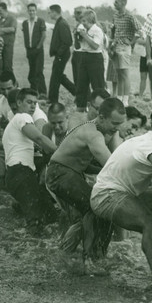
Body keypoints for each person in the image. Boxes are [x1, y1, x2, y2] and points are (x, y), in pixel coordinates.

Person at [90, 106, 152, 285]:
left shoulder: (146, 140)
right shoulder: (151, 146)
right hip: (106, 196)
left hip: (118, 192)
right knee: (151, 221)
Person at [46, 98, 126, 265]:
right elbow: (112, 166)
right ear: (102, 117)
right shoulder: (92, 134)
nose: (117, 128)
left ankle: (66, 252)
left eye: (120, 124)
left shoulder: (105, 130)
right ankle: (91, 258)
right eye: (114, 123)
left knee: (89, 212)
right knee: (95, 208)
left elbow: (118, 157)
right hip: (58, 173)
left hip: (71, 173)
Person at [2, 88, 58, 234]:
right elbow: (39, 138)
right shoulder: (22, 117)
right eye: (29, 102)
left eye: (35, 103)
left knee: (50, 214)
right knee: (35, 221)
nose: (33, 106)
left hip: (17, 174)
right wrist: (62, 152)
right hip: (20, 172)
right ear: (19, 102)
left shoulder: (13, 124)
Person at [111, 0, 141, 106]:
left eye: (117, 2)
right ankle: (119, 98)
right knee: (118, 74)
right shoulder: (114, 15)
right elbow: (114, 30)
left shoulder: (130, 16)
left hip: (125, 47)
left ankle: (125, 99)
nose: (114, 3)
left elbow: (140, 30)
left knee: (125, 73)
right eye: (115, 1)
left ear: (123, 3)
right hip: (116, 47)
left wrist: (132, 42)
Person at [76, 9, 106, 112]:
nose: (82, 23)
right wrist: (78, 36)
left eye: (84, 21)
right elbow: (79, 45)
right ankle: (80, 108)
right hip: (84, 56)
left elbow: (95, 46)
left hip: (95, 58)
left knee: (97, 86)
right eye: (81, 21)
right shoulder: (84, 30)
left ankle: (101, 109)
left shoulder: (97, 30)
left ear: (90, 20)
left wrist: (85, 36)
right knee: (81, 84)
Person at [48, 4, 76, 104]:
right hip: (61, 54)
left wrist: (59, 54)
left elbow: (68, 41)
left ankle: (52, 100)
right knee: (59, 76)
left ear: (55, 12)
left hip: (62, 55)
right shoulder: (60, 23)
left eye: (50, 12)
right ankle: (76, 92)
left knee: (56, 76)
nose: (49, 13)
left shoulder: (62, 23)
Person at [22, 3, 47, 96]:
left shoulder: (40, 21)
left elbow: (44, 35)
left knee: (39, 71)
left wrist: (38, 47)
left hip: (38, 50)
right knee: (32, 72)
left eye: (33, 10)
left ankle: (43, 93)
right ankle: (33, 92)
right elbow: (25, 36)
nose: (31, 12)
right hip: (29, 50)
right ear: (27, 11)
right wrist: (28, 48)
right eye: (30, 10)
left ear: (36, 11)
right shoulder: (25, 23)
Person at [0, 2, 17, 73]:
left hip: (8, 46)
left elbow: (12, 29)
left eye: (0, 11)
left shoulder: (12, 18)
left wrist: (0, 30)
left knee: (8, 66)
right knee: (0, 67)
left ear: (5, 9)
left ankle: (11, 83)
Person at [72, 6, 86, 89]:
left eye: (75, 14)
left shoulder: (81, 26)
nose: (74, 16)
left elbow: (78, 45)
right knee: (79, 78)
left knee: (79, 78)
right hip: (79, 52)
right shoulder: (79, 25)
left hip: (80, 53)